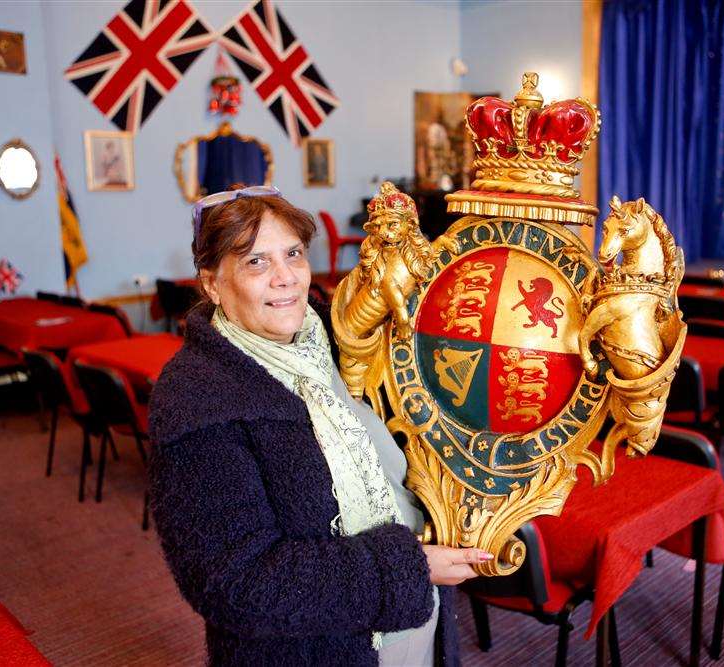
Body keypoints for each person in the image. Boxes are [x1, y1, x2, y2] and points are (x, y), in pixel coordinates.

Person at [148, 184, 487, 666]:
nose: (285, 277)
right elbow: (236, 585)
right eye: (255, 262)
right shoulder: (196, 398)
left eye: (293, 253)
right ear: (211, 283)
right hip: (311, 651)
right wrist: (409, 566)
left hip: (421, 620)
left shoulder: (345, 340)